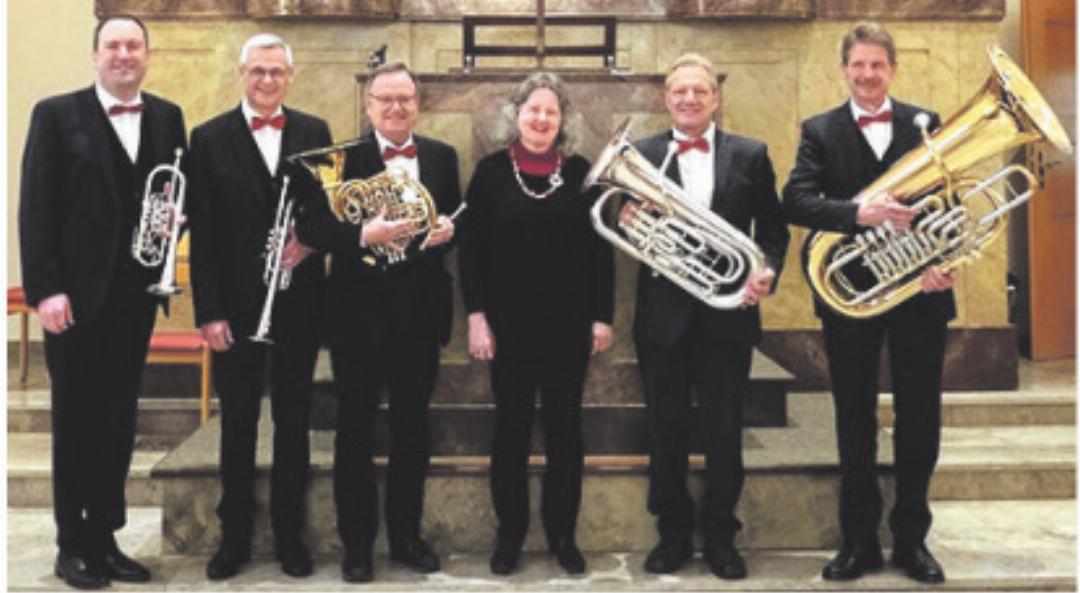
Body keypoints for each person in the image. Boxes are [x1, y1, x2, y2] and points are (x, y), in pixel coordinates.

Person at [18, 15, 187, 590]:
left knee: (118, 419)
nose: (123, 54)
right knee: (76, 420)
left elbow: (171, 191)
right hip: (74, 298)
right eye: (113, 45)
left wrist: (176, 221)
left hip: (135, 297)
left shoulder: (166, 116)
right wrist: (46, 290)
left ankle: (105, 538)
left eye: (133, 45)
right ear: (95, 54)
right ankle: (72, 544)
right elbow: (36, 208)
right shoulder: (55, 114)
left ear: (147, 54)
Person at [782, 21, 953, 584]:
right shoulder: (819, 130)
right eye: (858, 64)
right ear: (844, 69)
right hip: (850, 293)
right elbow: (796, 200)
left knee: (919, 418)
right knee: (853, 416)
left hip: (918, 293)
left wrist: (943, 260)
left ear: (893, 69)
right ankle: (858, 542)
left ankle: (912, 540)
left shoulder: (925, 123)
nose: (868, 74)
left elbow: (951, 202)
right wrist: (858, 213)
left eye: (877, 64)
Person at [620, 53, 788, 580]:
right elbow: (623, 224)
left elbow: (774, 230)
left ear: (716, 98)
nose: (689, 99)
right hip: (663, 318)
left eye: (699, 91)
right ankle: (671, 535)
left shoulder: (751, 154)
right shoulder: (642, 155)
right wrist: (626, 217)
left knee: (723, 431)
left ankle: (721, 536)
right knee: (665, 429)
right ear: (666, 99)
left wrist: (766, 270)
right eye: (679, 91)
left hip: (728, 315)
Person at [294, 62, 460, 583]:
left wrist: (446, 230)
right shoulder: (342, 159)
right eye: (385, 99)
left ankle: (407, 537)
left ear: (418, 104)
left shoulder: (441, 156)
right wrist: (363, 235)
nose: (395, 107)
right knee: (354, 433)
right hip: (357, 317)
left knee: (413, 431)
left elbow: (450, 215)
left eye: (404, 98)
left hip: (419, 316)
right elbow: (312, 226)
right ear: (368, 106)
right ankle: (358, 545)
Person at [186, 33, 332, 580]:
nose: (267, 80)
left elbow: (327, 211)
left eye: (276, 71)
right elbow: (203, 235)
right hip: (235, 308)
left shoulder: (315, 132)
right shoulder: (208, 138)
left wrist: (309, 243)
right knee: (238, 425)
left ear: (289, 77)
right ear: (241, 74)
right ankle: (235, 538)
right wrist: (209, 312)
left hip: (299, 304)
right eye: (258, 71)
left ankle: (290, 536)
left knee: (294, 423)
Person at [458, 72, 615, 576]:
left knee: (566, 432)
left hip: (569, 327)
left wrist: (602, 317)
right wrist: (477, 317)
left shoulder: (582, 173)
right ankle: (510, 535)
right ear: (517, 114)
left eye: (551, 111)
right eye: (533, 110)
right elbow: (471, 254)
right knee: (511, 431)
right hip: (507, 329)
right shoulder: (489, 174)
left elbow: (601, 251)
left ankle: (562, 535)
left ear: (562, 119)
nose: (541, 119)